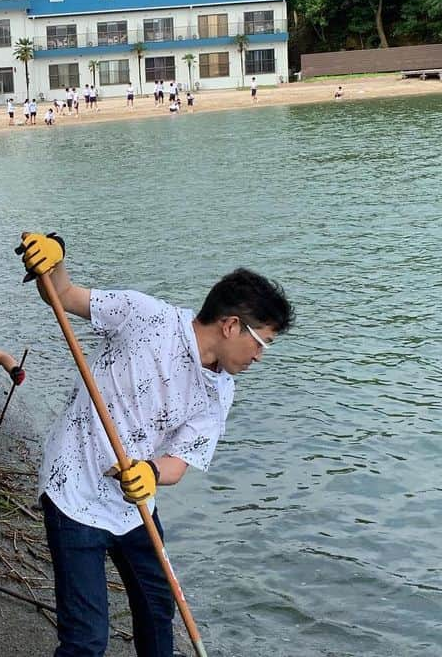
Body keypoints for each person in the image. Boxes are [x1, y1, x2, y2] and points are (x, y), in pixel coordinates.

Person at [16, 232, 294, 657]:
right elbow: (63, 295)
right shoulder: (145, 316)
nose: (259, 357)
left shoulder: (221, 390)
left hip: (133, 507)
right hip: (73, 488)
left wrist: (150, 472)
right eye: (262, 344)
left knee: (158, 609)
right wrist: (54, 256)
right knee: (86, 639)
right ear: (232, 325)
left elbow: (180, 462)